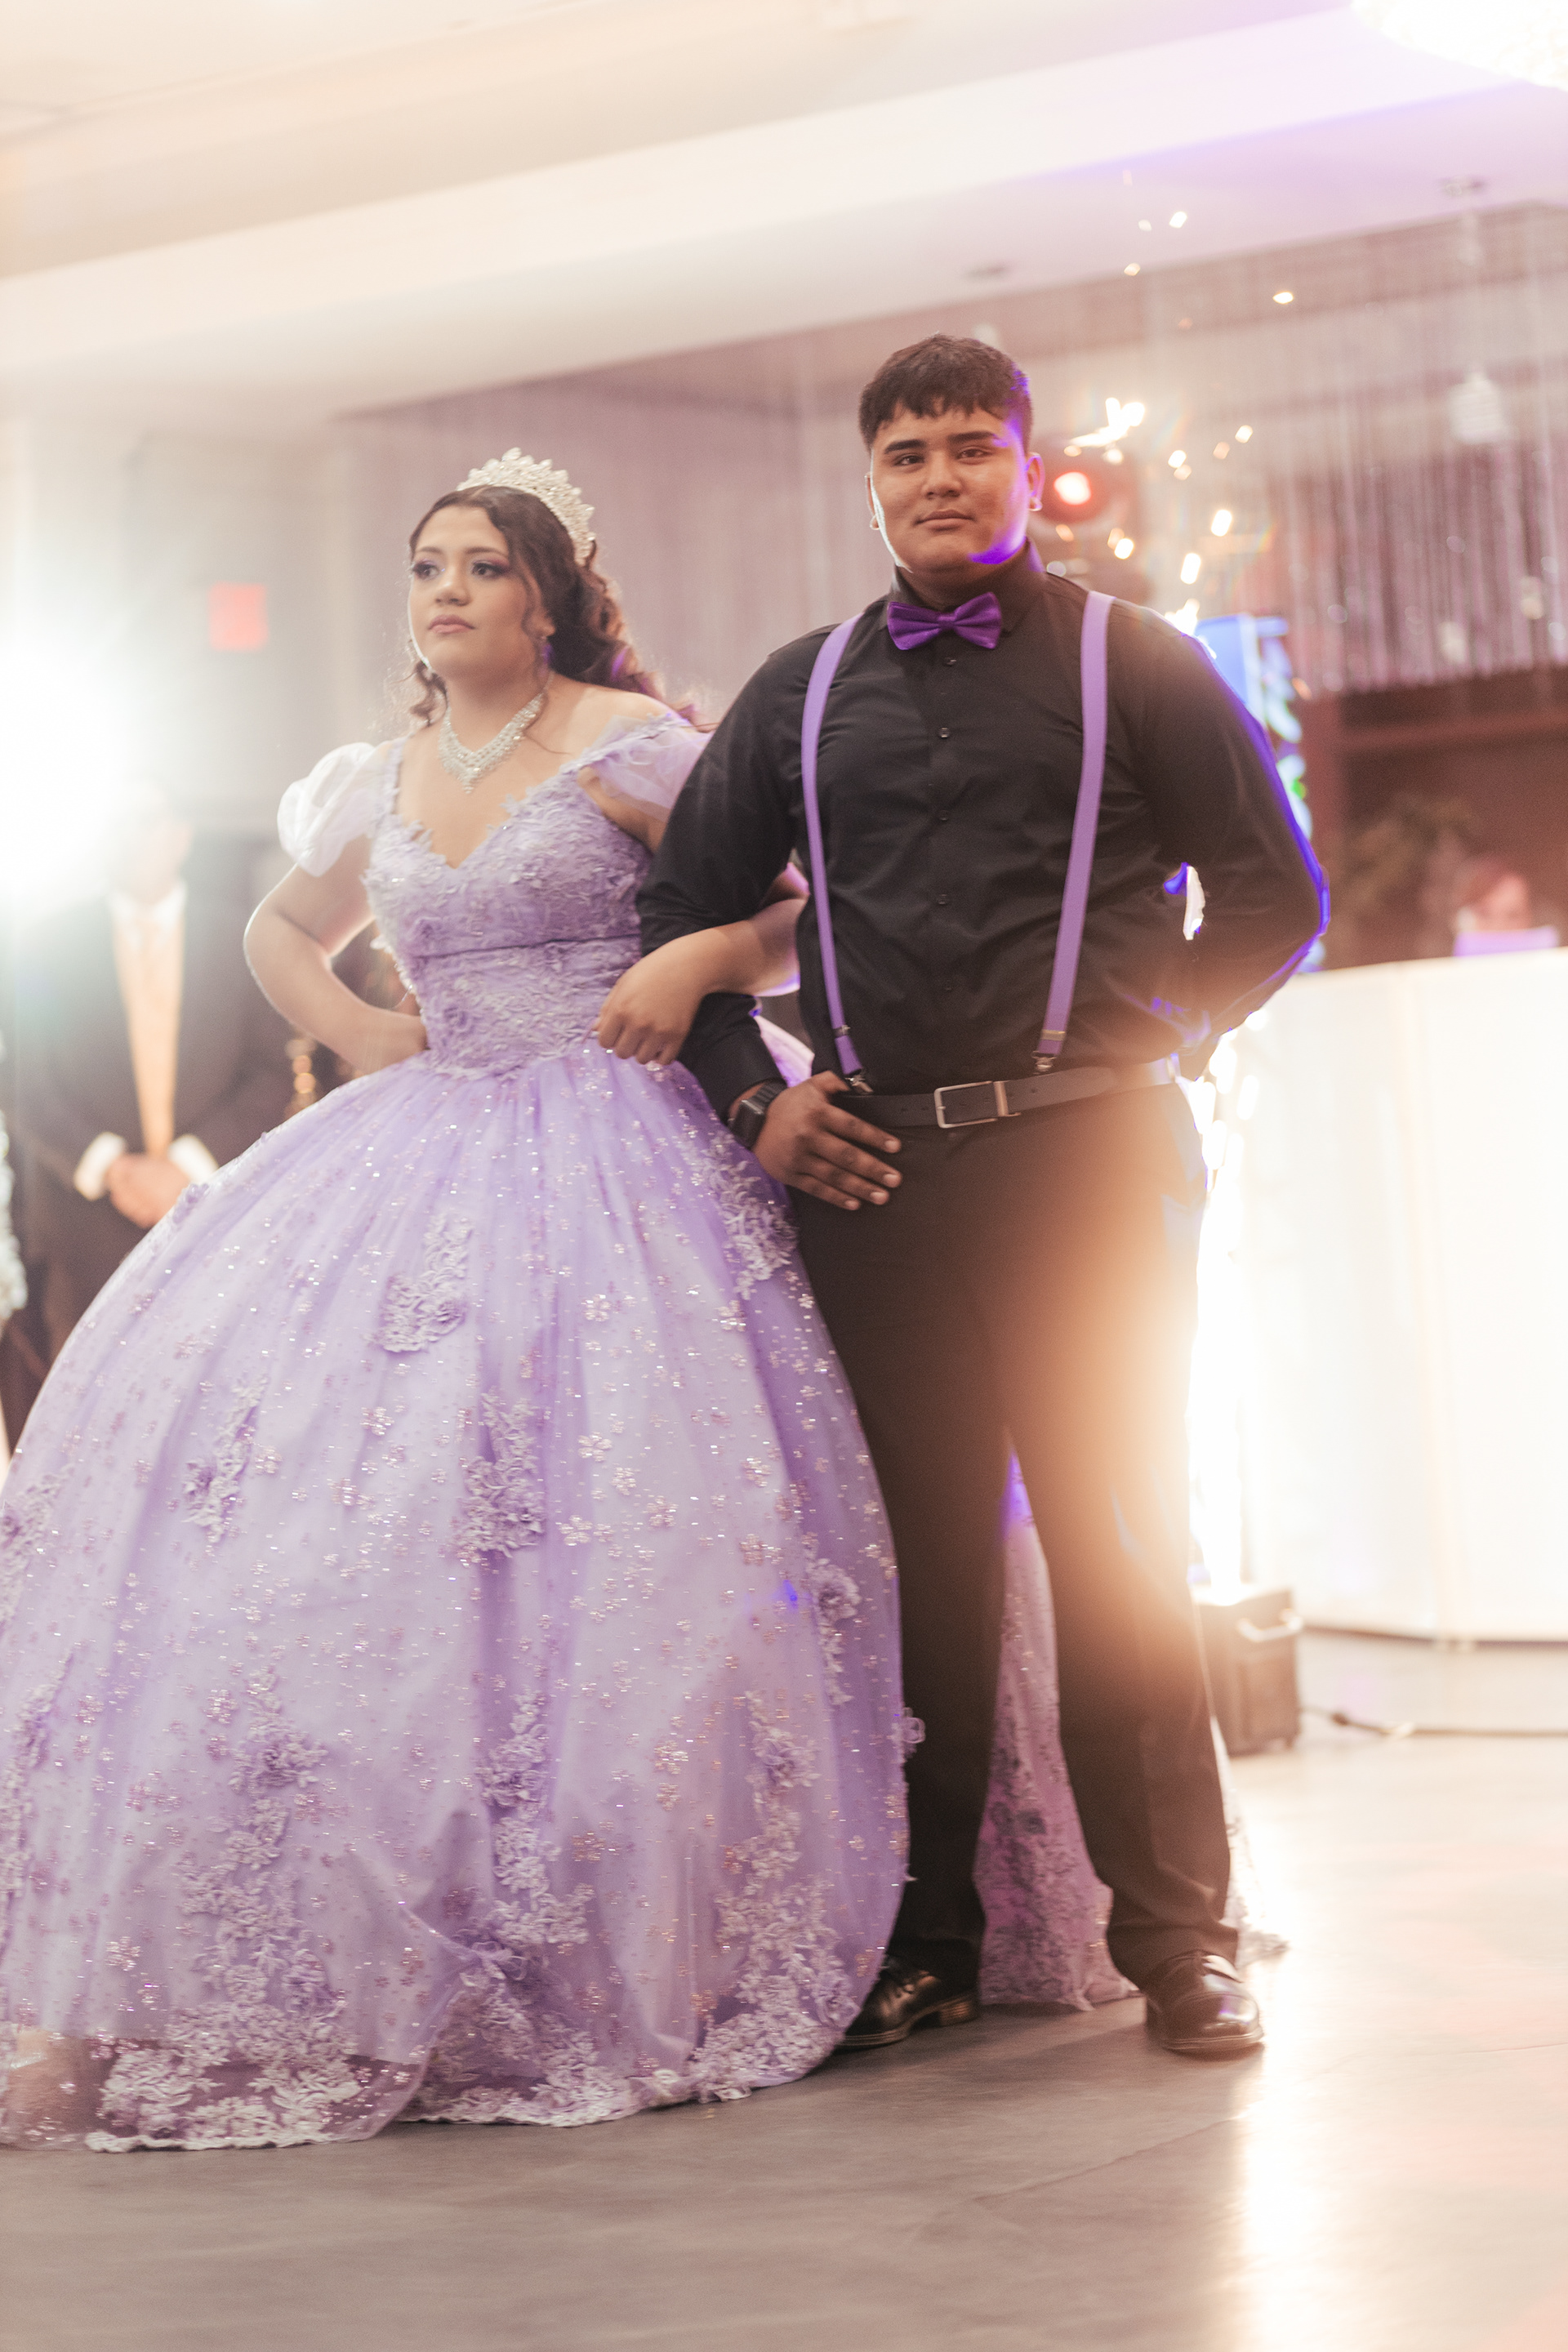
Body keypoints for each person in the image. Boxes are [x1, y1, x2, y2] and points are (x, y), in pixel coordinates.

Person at [0, 454, 907, 2149]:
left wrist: (689, 959)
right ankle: (374, 1908)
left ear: (546, 596)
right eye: (428, 565)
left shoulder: (630, 748)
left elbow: (792, 920)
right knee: (362, 1518)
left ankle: (630, 1909)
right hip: (425, 1144)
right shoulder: (381, 774)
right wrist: (359, 1030)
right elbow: (282, 931)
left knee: (628, 1524)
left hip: (624, 1145)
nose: (448, 592)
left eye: (483, 565)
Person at [642, 335, 1325, 2059]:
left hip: (1090, 1160)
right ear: (872, 483)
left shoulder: (1135, 661)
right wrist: (758, 1105)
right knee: (917, 1561)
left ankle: (1178, 1939)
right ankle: (927, 1941)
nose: (940, 478)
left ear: (1027, 465)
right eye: (908, 454)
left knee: (1119, 1543)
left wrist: (1146, 1031)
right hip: (871, 1173)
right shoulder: (799, 690)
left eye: (969, 446)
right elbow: (679, 918)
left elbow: (1275, 894)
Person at [6, 785, 292, 1411]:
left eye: (147, 820)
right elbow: (25, 1081)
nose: (134, 837)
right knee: (90, 1411)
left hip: (213, 1214)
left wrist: (183, 1170)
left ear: (180, 834)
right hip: (86, 1223)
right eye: (118, 823)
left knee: (210, 1404)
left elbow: (271, 1071)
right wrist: (113, 1168)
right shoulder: (46, 943)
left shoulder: (239, 937)